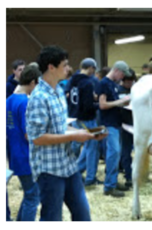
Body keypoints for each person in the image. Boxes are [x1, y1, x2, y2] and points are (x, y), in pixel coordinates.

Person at [25, 45, 107, 221]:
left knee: (83, 215)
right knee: (52, 218)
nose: (68, 69)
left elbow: (61, 126)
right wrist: (74, 136)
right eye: (65, 65)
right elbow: (37, 138)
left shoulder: (59, 91)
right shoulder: (39, 97)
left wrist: (86, 133)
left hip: (69, 165)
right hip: (49, 169)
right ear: (51, 67)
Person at [6, 65, 41, 221]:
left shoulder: (9, 99)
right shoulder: (25, 103)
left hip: (14, 153)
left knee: (29, 194)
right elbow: (29, 134)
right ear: (33, 82)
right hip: (26, 155)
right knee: (33, 197)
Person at [97, 60, 132, 197]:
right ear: (117, 70)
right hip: (108, 123)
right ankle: (109, 187)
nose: (123, 77)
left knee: (116, 154)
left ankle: (113, 181)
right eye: (123, 74)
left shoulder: (113, 84)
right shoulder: (104, 84)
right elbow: (102, 105)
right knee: (113, 154)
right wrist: (121, 102)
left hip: (116, 123)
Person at [67, 58, 102, 186]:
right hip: (87, 118)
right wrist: (99, 104)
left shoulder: (73, 80)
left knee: (87, 147)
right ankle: (90, 178)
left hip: (75, 117)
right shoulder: (87, 83)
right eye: (94, 69)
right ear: (91, 68)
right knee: (92, 148)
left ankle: (76, 172)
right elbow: (88, 106)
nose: (94, 72)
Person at [118, 68, 136, 188]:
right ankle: (128, 176)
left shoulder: (136, 90)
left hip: (136, 124)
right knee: (126, 151)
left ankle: (136, 175)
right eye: (127, 82)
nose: (129, 84)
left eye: (131, 81)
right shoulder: (118, 91)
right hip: (124, 125)